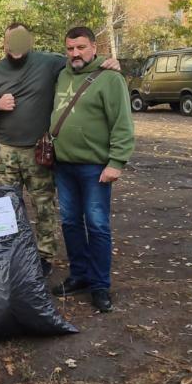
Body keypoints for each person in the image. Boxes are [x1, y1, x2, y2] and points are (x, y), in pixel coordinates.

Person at [0, 23, 119, 276]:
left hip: (38, 151)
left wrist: (108, 62)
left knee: (44, 207)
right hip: (7, 151)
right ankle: (11, 255)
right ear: (5, 42)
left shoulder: (49, 63)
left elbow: (80, 64)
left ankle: (45, 257)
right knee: (6, 208)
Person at [50, 26, 135, 313]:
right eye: (70, 48)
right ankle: (80, 275)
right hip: (64, 166)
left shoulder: (110, 78)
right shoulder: (61, 74)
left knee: (97, 225)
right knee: (71, 224)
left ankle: (100, 285)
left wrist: (117, 162)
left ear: (94, 48)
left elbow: (122, 123)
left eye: (81, 47)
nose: (75, 53)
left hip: (95, 167)